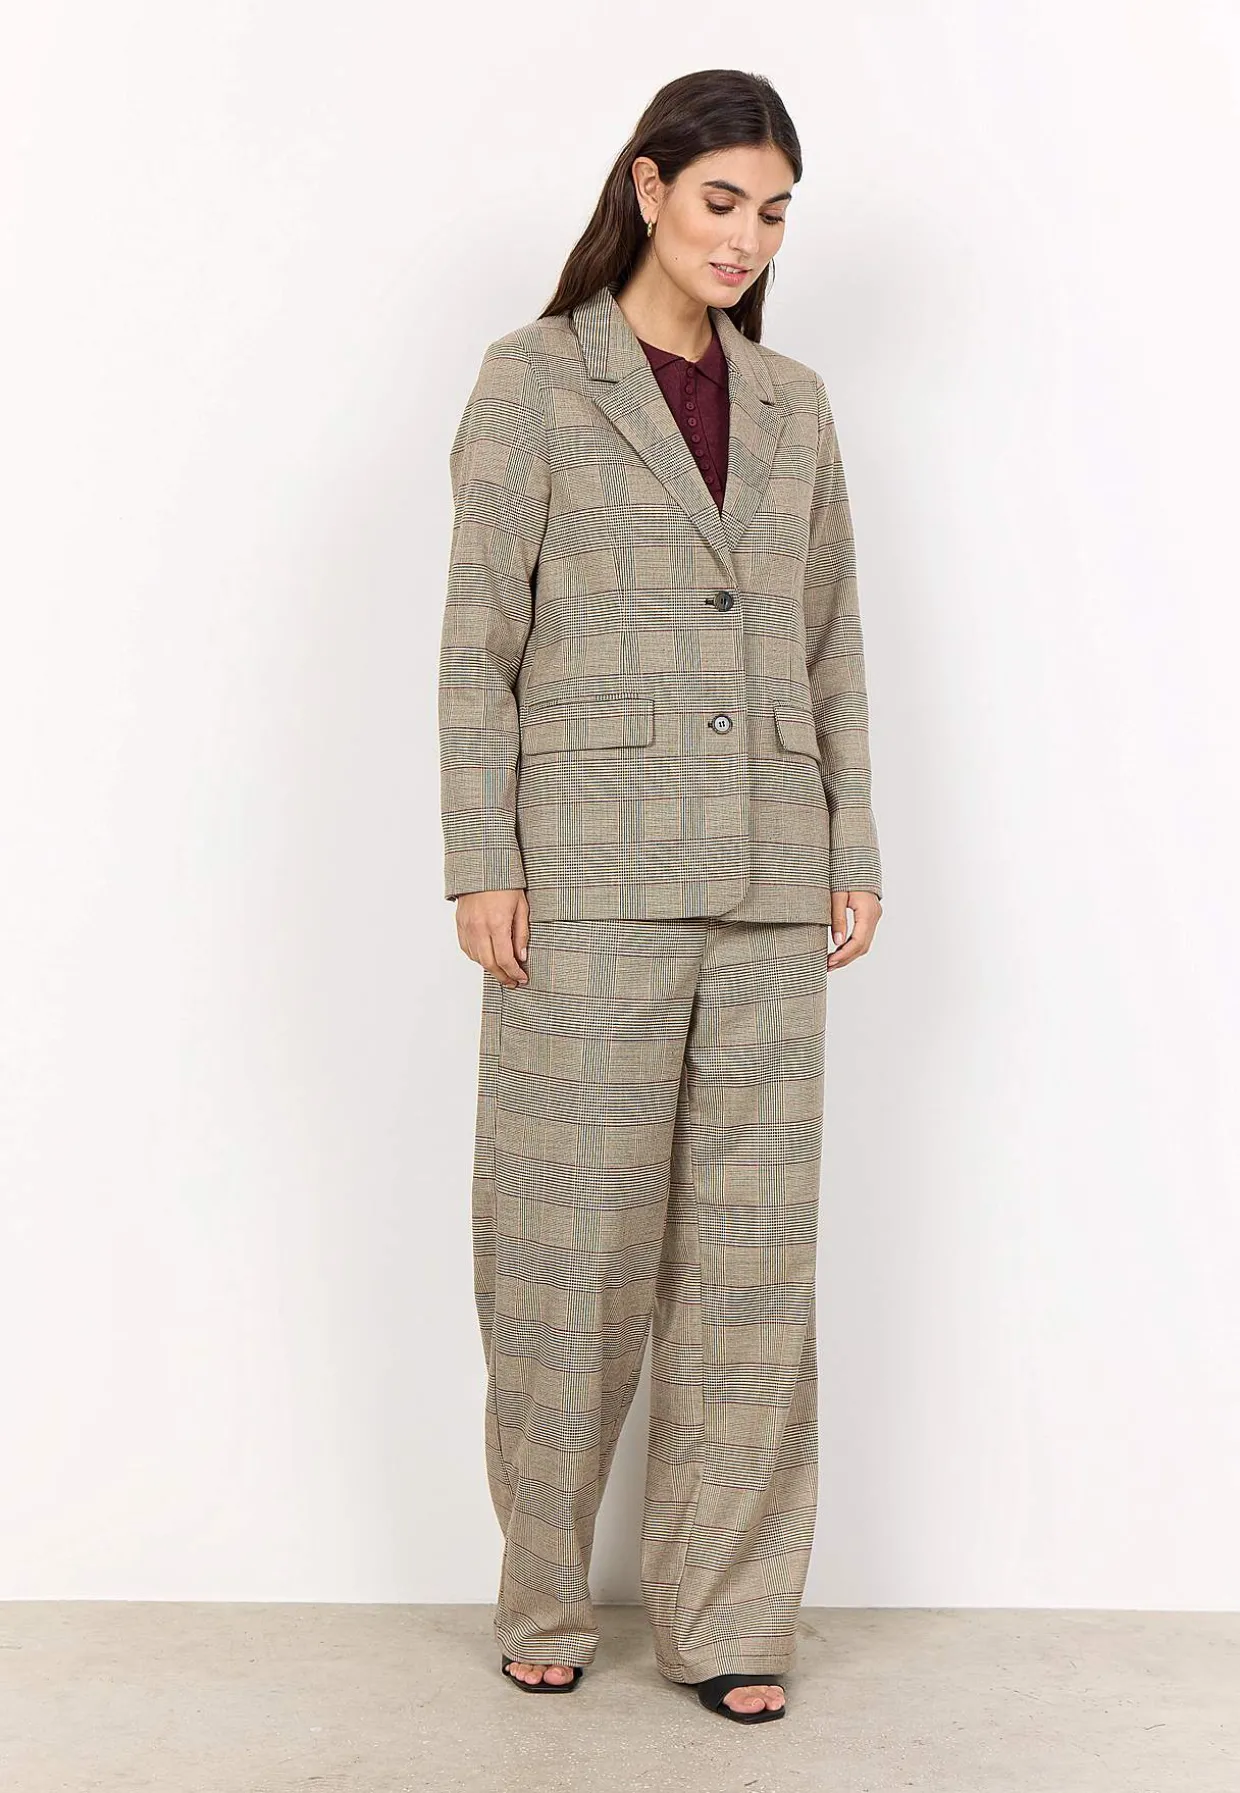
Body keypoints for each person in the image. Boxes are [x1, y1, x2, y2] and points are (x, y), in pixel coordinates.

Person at [437, 68, 883, 1725]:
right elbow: (477, 642)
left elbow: (833, 645)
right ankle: (546, 1590)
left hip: (770, 881)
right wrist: (483, 855)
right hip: (588, 886)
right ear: (647, 188)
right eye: (721, 201)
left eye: (773, 213)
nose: (746, 237)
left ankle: (730, 1618)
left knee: (753, 1277)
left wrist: (851, 847)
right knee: (569, 1256)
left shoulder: (797, 406)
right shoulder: (532, 381)